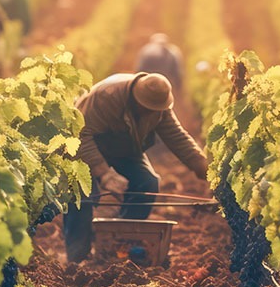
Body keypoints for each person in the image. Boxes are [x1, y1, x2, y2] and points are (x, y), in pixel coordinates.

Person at [63, 72, 209, 263]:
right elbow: (80, 135)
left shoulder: (159, 107)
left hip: (125, 149)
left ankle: (118, 242)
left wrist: (202, 166)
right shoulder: (105, 97)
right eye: (148, 109)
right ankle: (77, 256)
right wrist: (104, 173)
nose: (153, 113)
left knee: (148, 182)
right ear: (136, 100)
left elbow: (177, 137)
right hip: (85, 150)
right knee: (81, 195)